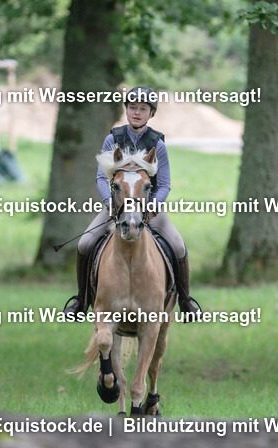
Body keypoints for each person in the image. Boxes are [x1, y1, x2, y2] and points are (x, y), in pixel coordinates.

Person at [63, 86, 202, 321]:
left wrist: (151, 207)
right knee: (85, 243)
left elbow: (165, 184)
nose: (137, 112)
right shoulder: (112, 139)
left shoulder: (157, 144)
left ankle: (186, 301)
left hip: (149, 209)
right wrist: (109, 203)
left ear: (151, 113)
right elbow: (100, 177)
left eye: (143, 109)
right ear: (126, 110)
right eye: (133, 107)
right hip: (116, 207)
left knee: (178, 246)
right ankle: (81, 300)